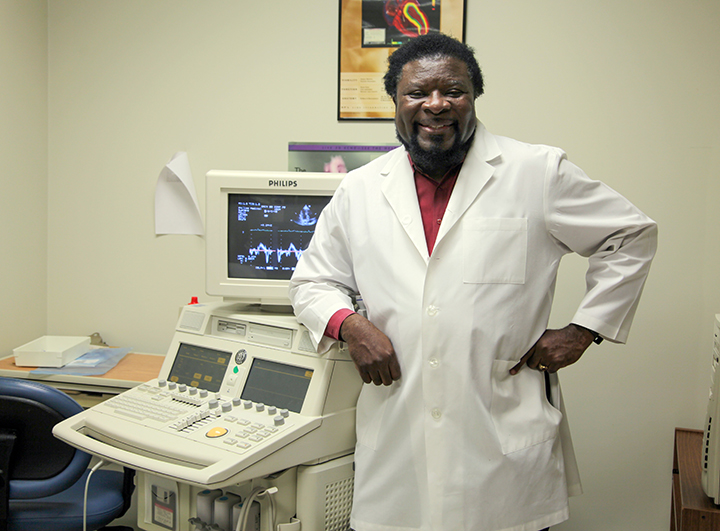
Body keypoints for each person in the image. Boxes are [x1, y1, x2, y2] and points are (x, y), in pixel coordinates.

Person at [289, 33, 657, 531]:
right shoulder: (359, 189)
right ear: (395, 102)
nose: (435, 104)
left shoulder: (536, 172)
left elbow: (629, 234)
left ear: (474, 98)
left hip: (500, 448)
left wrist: (584, 329)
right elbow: (312, 281)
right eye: (417, 92)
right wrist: (351, 326)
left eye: (454, 91)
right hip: (398, 447)